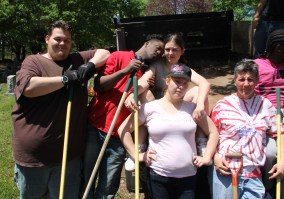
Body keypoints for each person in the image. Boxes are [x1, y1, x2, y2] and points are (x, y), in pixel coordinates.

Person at [11, 20, 110, 199]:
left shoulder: (77, 59)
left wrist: (90, 65)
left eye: (67, 40)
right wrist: (65, 79)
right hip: (34, 159)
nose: (62, 43)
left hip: (68, 158)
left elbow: (105, 52)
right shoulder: (34, 61)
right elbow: (28, 88)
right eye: (57, 39)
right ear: (47, 39)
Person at [118, 63, 219, 199]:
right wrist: (137, 155)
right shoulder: (149, 108)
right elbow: (123, 131)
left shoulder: (192, 109)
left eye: (185, 83)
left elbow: (213, 133)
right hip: (159, 176)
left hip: (188, 178)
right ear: (167, 80)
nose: (181, 86)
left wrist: (206, 157)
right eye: (177, 81)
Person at [82, 35, 165, 198]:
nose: (160, 53)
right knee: (86, 179)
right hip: (96, 127)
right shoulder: (119, 56)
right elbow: (98, 85)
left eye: (162, 51)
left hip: (119, 136)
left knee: (108, 187)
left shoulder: (147, 75)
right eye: (158, 48)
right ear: (146, 43)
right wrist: (125, 70)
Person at [209, 59, 284, 199]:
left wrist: (283, 161)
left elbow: (280, 133)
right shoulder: (222, 105)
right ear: (234, 80)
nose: (246, 84)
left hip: (253, 174)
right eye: (241, 79)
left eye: (250, 79)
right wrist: (215, 157)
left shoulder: (265, 105)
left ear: (257, 81)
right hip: (225, 171)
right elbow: (209, 135)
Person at [253, 28, 284, 197]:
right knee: (270, 152)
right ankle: (268, 186)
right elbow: (250, 94)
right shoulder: (257, 66)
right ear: (278, 47)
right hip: (264, 114)